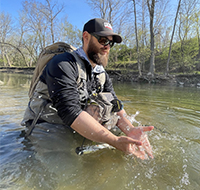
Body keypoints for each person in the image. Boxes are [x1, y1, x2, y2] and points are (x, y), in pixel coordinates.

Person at [21, 18, 154, 159]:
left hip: (73, 124)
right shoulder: (62, 64)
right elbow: (70, 112)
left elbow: (116, 107)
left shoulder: (102, 74)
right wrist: (114, 141)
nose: (107, 46)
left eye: (111, 43)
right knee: (70, 174)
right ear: (86, 37)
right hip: (48, 126)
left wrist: (130, 129)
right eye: (103, 40)